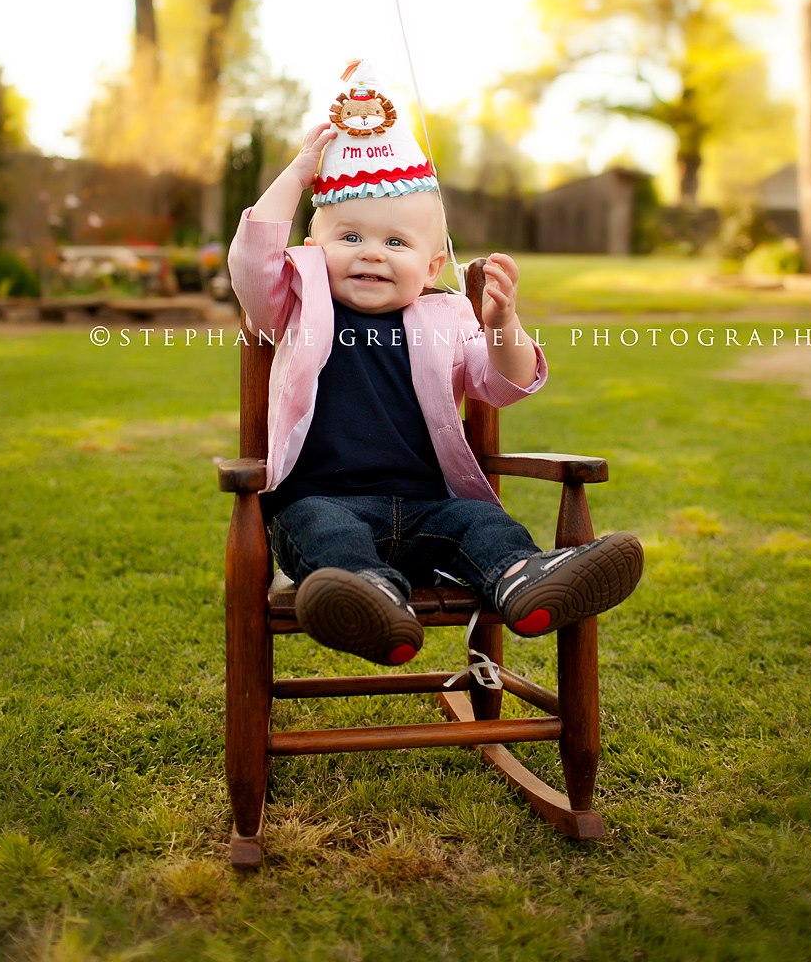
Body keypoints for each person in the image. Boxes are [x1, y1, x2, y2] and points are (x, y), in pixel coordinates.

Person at [228, 61, 643, 667]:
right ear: (314, 247)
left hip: (428, 506)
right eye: (350, 237)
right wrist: (298, 170)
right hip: (323, 499)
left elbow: (500, 382)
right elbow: (251, 262)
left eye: (396, 243)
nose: (371, 252)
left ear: (431, 267)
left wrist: (502, 325)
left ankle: (525, 580)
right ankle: (370, 601)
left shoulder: (445, 318)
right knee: (325, 530)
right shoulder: (296, 302)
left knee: (481, 522)